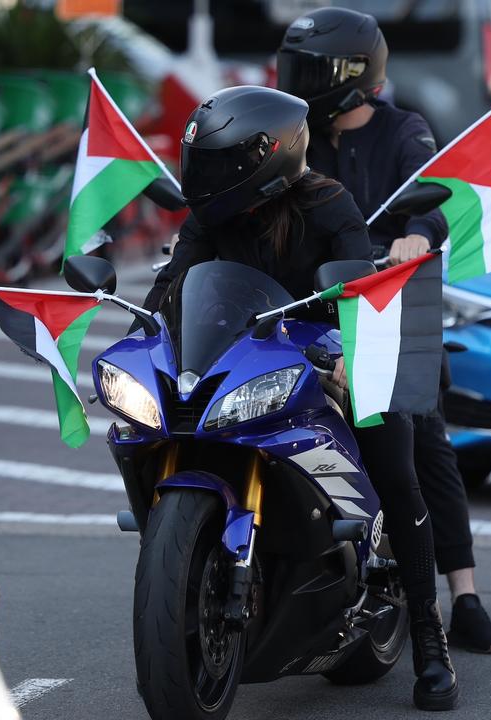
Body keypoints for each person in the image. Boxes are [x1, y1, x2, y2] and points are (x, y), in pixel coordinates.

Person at [144, 85, 458, 711]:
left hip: (328, 359)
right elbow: (176, 281)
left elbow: (358, 285)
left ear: (264, 158)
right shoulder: (211, 217)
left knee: (397, 473)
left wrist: (346, 340)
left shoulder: (329, 204)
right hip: (246, 364)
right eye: (198, 160)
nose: (203, 175)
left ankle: (428, 635)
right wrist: (142, 319)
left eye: (217, 161)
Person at [277, 7, 491, 655]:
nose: (292, 81)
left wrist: (416, 235)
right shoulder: (294, 134)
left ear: (351, 75)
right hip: (308, 304)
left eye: (306, 71)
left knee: (424, 437)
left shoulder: (402, 130)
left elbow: (431, 190)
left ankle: (461, 595)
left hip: (388, 302)